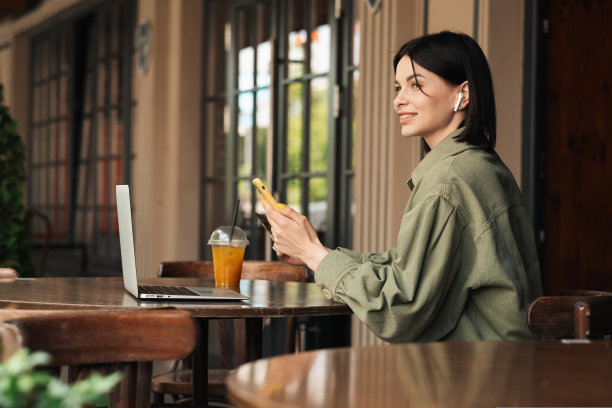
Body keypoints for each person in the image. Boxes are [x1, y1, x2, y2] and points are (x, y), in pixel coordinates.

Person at [263, 31, 543, 342]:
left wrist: (313, 254)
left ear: (462, 94)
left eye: (416, 85)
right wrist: (316, 252)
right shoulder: (479, 165)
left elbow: (399, 310)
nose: (399, 99)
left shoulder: (448, 180)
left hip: (472, 378)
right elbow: (410, 270)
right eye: (398, 87)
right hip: (505, 368)